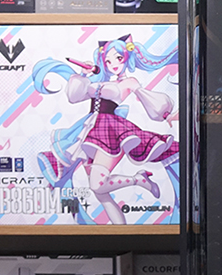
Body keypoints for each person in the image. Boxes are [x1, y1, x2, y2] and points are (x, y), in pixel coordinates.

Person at [31, 34, 179, 224]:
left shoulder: (129, 82)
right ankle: (120, 231)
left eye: (118, 58)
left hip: (110, 131)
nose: (113, 64)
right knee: (100, 193)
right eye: (108, 61)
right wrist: (84, 75)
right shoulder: (98, 81)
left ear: (127, 57)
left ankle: (139, 180)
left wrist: (167, 115)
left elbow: (148, 100)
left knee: (98, 184)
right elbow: (74, 97)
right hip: (89, 132)